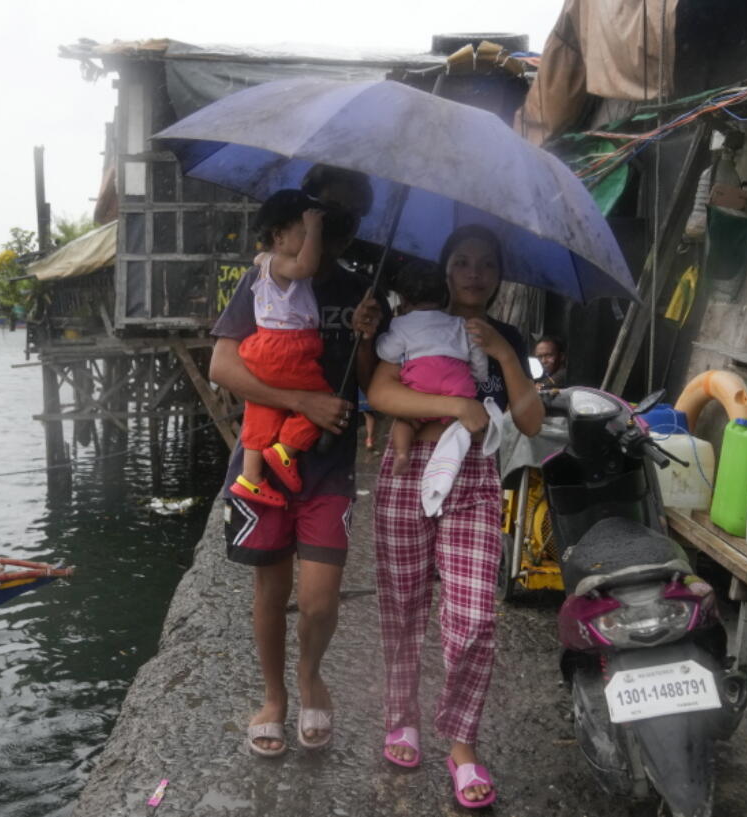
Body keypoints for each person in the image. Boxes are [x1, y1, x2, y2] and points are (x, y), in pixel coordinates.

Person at [209, 165, 385, 758]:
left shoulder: (364, 290)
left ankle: (311, 674)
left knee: (319, 599)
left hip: (329, 466)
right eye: (325, 210)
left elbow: (368, 385)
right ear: (302, 212)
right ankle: (274, 697)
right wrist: (299, 400)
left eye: (349, 217)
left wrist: (365, 337)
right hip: (266, 459)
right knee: (269, 588)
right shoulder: (263, 279)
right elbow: (223, 368)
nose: (335, 224)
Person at [367, 225, 544, 808]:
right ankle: (402, 717)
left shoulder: (509, 336)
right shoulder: (414, 324)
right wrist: (454, 404)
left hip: (473, 472)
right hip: (409, 466)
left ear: (498, 275)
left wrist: (498, 351)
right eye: (462, 262)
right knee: (403, 599)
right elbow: (383, 392)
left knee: (474, 617)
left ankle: (462, 742)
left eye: (486, 264)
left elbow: (531, 419)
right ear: (445, 269)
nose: (474, 273)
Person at [231, 190, 329, 508]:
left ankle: (250, 476)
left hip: (264, 346)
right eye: (304, 234)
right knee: (323, 400)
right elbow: (305, 267)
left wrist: (307, 232)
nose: (315, 241)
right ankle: (287, 448)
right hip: (288, 345)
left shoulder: (264, 261)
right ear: (279, 236)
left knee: (261, 408)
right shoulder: (286, 263)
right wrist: (314, 226)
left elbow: (277, 261)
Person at [375, 259, 488, 479]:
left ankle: (401, 454)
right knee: (458, 424)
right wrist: (478, 376)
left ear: (404, 300)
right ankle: (451, 464)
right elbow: (479, 358)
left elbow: (386, 352)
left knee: (405, 420)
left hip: (420, 384)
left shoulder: (401, 324)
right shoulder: (460, 324)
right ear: (445, 297)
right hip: (457, 383)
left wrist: (379, 339)